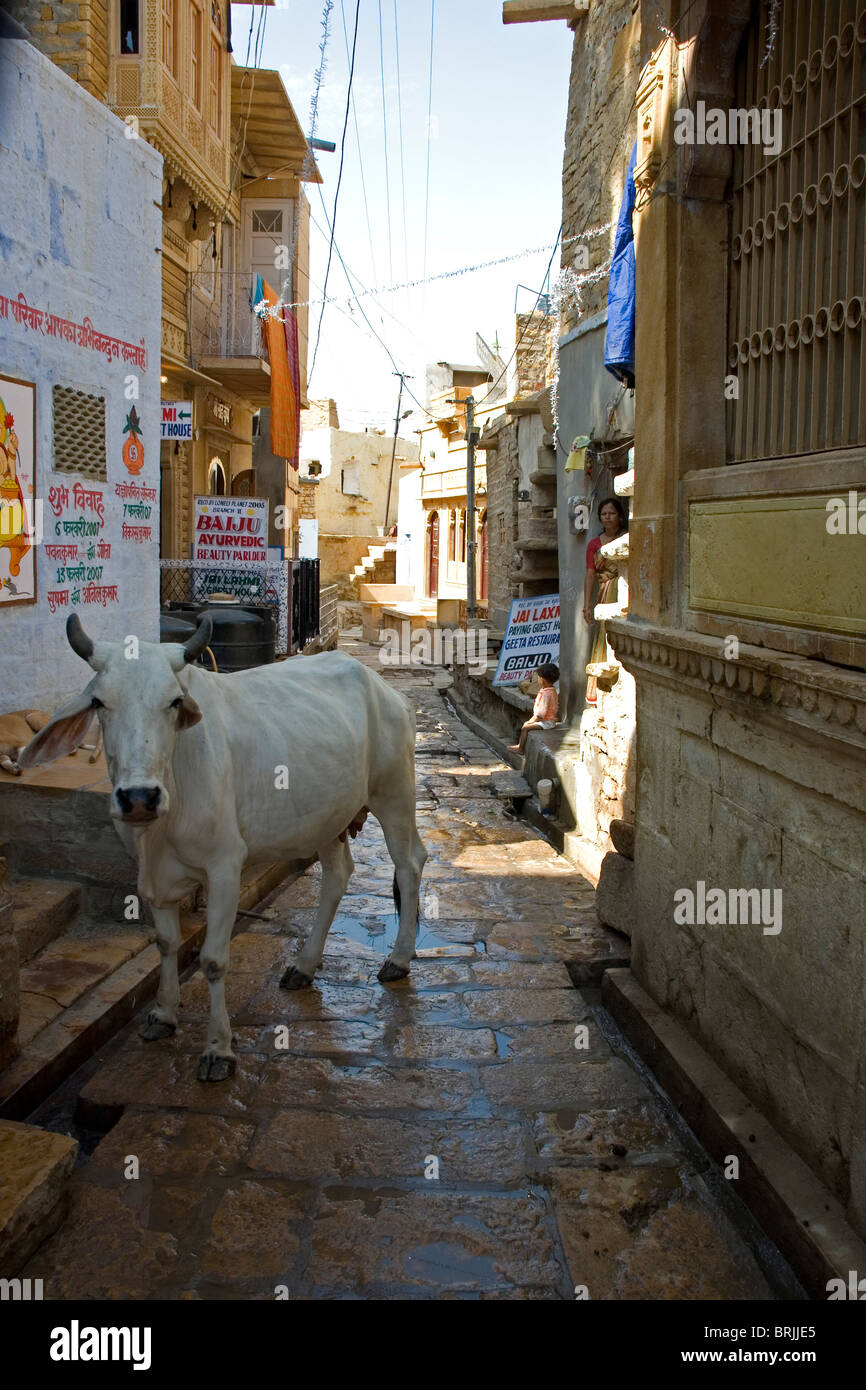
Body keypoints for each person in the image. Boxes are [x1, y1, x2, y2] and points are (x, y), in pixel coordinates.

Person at [583, 496, 628, 706]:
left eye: (611, 513)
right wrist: (587, 605)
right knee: (603, 635)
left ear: (619, 515)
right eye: (604, 514)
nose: (607, 517)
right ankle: (602, 685)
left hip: (626, 590)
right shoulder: (594, 544)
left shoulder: (627, 538)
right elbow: (590, 574)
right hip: (604, 593)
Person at [510, 662, 559, 756]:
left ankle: (521, 748)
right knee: (526, 725)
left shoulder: (546, 694)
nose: (538, 679)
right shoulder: (551, 690)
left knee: (525, 727)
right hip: (548, 720)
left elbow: (541, 714)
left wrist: (531, 721)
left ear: (543, 679)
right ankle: (520, 745)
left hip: (546, 722)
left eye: (539, 677)